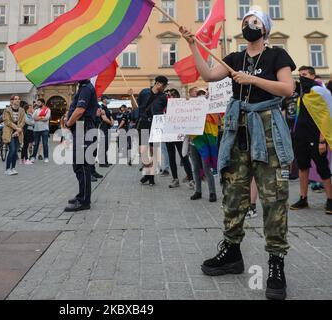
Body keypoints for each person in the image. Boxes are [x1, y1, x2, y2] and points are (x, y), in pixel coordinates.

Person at [181, 9, 296, 300]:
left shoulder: (277, 55)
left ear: (265, 29)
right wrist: (192, 44)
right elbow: (208, 75)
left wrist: (253, 80)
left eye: (255, 22)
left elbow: (287, 88)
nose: (249, 26)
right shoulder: (234, 58)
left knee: (274, 197)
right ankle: (232, 252)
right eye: (245, 22)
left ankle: (276, 264)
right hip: (238, 128)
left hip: (268, 129)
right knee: (233, 192)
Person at [290, 66, 332, 214]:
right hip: (301, 136)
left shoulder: (322, 92)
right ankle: (303, 198)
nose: (302, 77)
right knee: (302, 167)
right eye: (300, 75)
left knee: (323, 168)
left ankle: (330, 199)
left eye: (305, 75)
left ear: (313, 76)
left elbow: (327, 117)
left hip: (316, 137)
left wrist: (322, 140)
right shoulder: (303, 94)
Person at [64, 79, 98, 212]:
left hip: (83, 128)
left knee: (81, 165)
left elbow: (79, 110)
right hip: (82, 128)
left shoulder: (85, 88)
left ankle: (84, 201)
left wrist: (68, 123)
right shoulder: (84, 87)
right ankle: (81, 195)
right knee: (79, 165)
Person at [129, 76, 169, 186]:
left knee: (153, 151)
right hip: (144, 123)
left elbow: (169, 110)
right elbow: (135, 107)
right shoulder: (144, 92)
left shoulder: (163, 97)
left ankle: (150, 176)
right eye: (163, 85)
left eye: (165, 86)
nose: (164, 87)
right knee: (143, 151)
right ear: (158, 83)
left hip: (156, 125)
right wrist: (130, 96)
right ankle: (147, 174)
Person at [3, 95, 25, 175]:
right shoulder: (7, 110)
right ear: (12, 101)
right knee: (11, 150)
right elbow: (7, 121)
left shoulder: (22, 110)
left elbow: (23, 121)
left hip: (18, 133)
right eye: (15, 99)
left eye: (19, 99)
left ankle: (13, 168)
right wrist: (17, 128)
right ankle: (7, 169)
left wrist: (18, 130)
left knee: (15, 151)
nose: (17, 100)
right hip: (10, 132)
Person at [30, 98, 50, 163]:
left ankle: (46, 157)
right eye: (37, 103)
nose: (38, 104)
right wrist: (41, 117)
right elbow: (33, 117)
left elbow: (46, 118)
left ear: (43, 103)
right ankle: (33, 157)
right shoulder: (36, 110)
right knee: (36, 144)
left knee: (45, 144)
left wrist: (37, 118)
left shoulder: (47, 109)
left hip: (45, 129)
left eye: (39, 103)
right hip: (36, 129)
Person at [98, 95, 114, 167]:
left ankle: (105, 161)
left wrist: (112, 122)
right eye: (108, 99)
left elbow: (110, 117)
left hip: (107, 127)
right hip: (103, 127)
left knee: (106, 145)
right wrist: (111, 123)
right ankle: (102, 162)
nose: (109, 100)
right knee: (103, 145)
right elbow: (104, 118)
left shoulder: (107, 108)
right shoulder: (101, 107)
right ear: (104, 100)